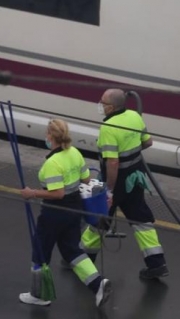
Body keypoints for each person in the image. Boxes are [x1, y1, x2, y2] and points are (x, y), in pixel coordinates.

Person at [19, 119, 111, 307]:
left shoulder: (52, 163)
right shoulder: (75, 153)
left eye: (47, 133)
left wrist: (32, 193)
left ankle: (39, 295)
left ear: (51, 136)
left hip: (54, 213)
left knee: (40, 252)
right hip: (74, 210)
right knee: (72, 251)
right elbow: (86, 180)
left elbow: (57, 193)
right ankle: (98, 284)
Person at [80, 89, 169, 279]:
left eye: (102, 102)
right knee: (141, 219)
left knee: (100, 219)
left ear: (111, 107)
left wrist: (110, 191)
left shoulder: (108, 127)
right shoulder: (134, 116)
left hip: (117, 180)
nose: (100, 105)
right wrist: (132, 153)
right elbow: (148, 142)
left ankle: (82, 260)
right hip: (136, 176)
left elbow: (113, 163)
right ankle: (157, 263)